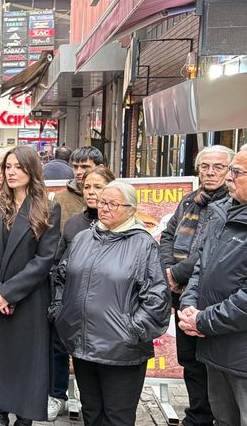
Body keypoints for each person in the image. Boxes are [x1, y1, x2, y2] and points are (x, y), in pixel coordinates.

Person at [52, 181, 170, 426]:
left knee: (117, 417)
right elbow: (61, 278)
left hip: (121, 351)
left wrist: (131, 330)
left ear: (130, 209)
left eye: (112, 204)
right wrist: (59, 313)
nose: (104, 208)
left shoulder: (143, 244)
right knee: (91, 412)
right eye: (102, 202)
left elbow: (157, 298)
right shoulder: (84, 238)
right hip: (83, 344)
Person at [0, 145, 60, 426]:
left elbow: (44, 260)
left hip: (27, 299)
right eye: (8, 167)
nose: (12, 172)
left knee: (24, 361)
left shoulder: (48, 208)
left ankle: (24, 416)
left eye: (19, 167)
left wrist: (8, 293)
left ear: (32, 170)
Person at [160, 145, 234, 426]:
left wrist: (176, 273)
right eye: (205, 166)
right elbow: (168, 235)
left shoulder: (231, 205)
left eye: (219, 167)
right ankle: (198, 413)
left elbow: (208, 251)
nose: (211, 172)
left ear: (229, 171)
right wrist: (168, 269)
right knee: (189, 360)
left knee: (209, 364)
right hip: (181, 294)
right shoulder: (189, 200)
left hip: (210, 296)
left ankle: (210, 416)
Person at [179, 147, 247, 426]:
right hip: (214, 347)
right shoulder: (224, 213)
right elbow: (201, 268)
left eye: (236, 171)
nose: (228, 178)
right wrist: (189, 306)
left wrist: (203, 320)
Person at [48, 164, 115, 420]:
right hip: (69, 301)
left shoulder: (123, 224)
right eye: (87, 187)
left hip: (105, 308)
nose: (91, 192)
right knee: (58, 348)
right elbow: (59, 260)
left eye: (98, 187)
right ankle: (57, 395)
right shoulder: (75, 223)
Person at [53, 146, 105, 232]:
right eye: (75, 167)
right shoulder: (60, 198)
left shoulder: (111, 196)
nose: (78, 172)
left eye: (85, 167)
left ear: (100, 168)